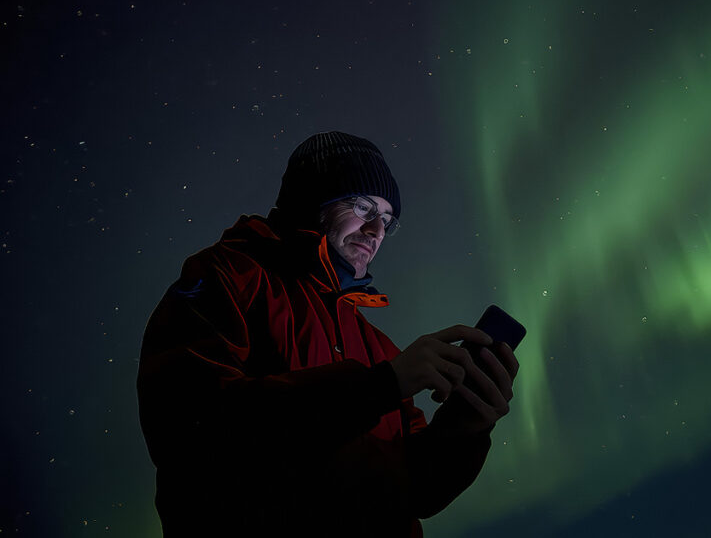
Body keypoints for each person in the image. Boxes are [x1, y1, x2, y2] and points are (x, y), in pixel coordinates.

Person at [137, 131, 518, 537]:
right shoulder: (228, 278)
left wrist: (465, 427)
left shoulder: (378, 347)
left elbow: (415, 492)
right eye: (362, 206)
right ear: (312, 200)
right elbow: (193, 430)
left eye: (388, 220)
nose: (376, 230)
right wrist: (379, 387)